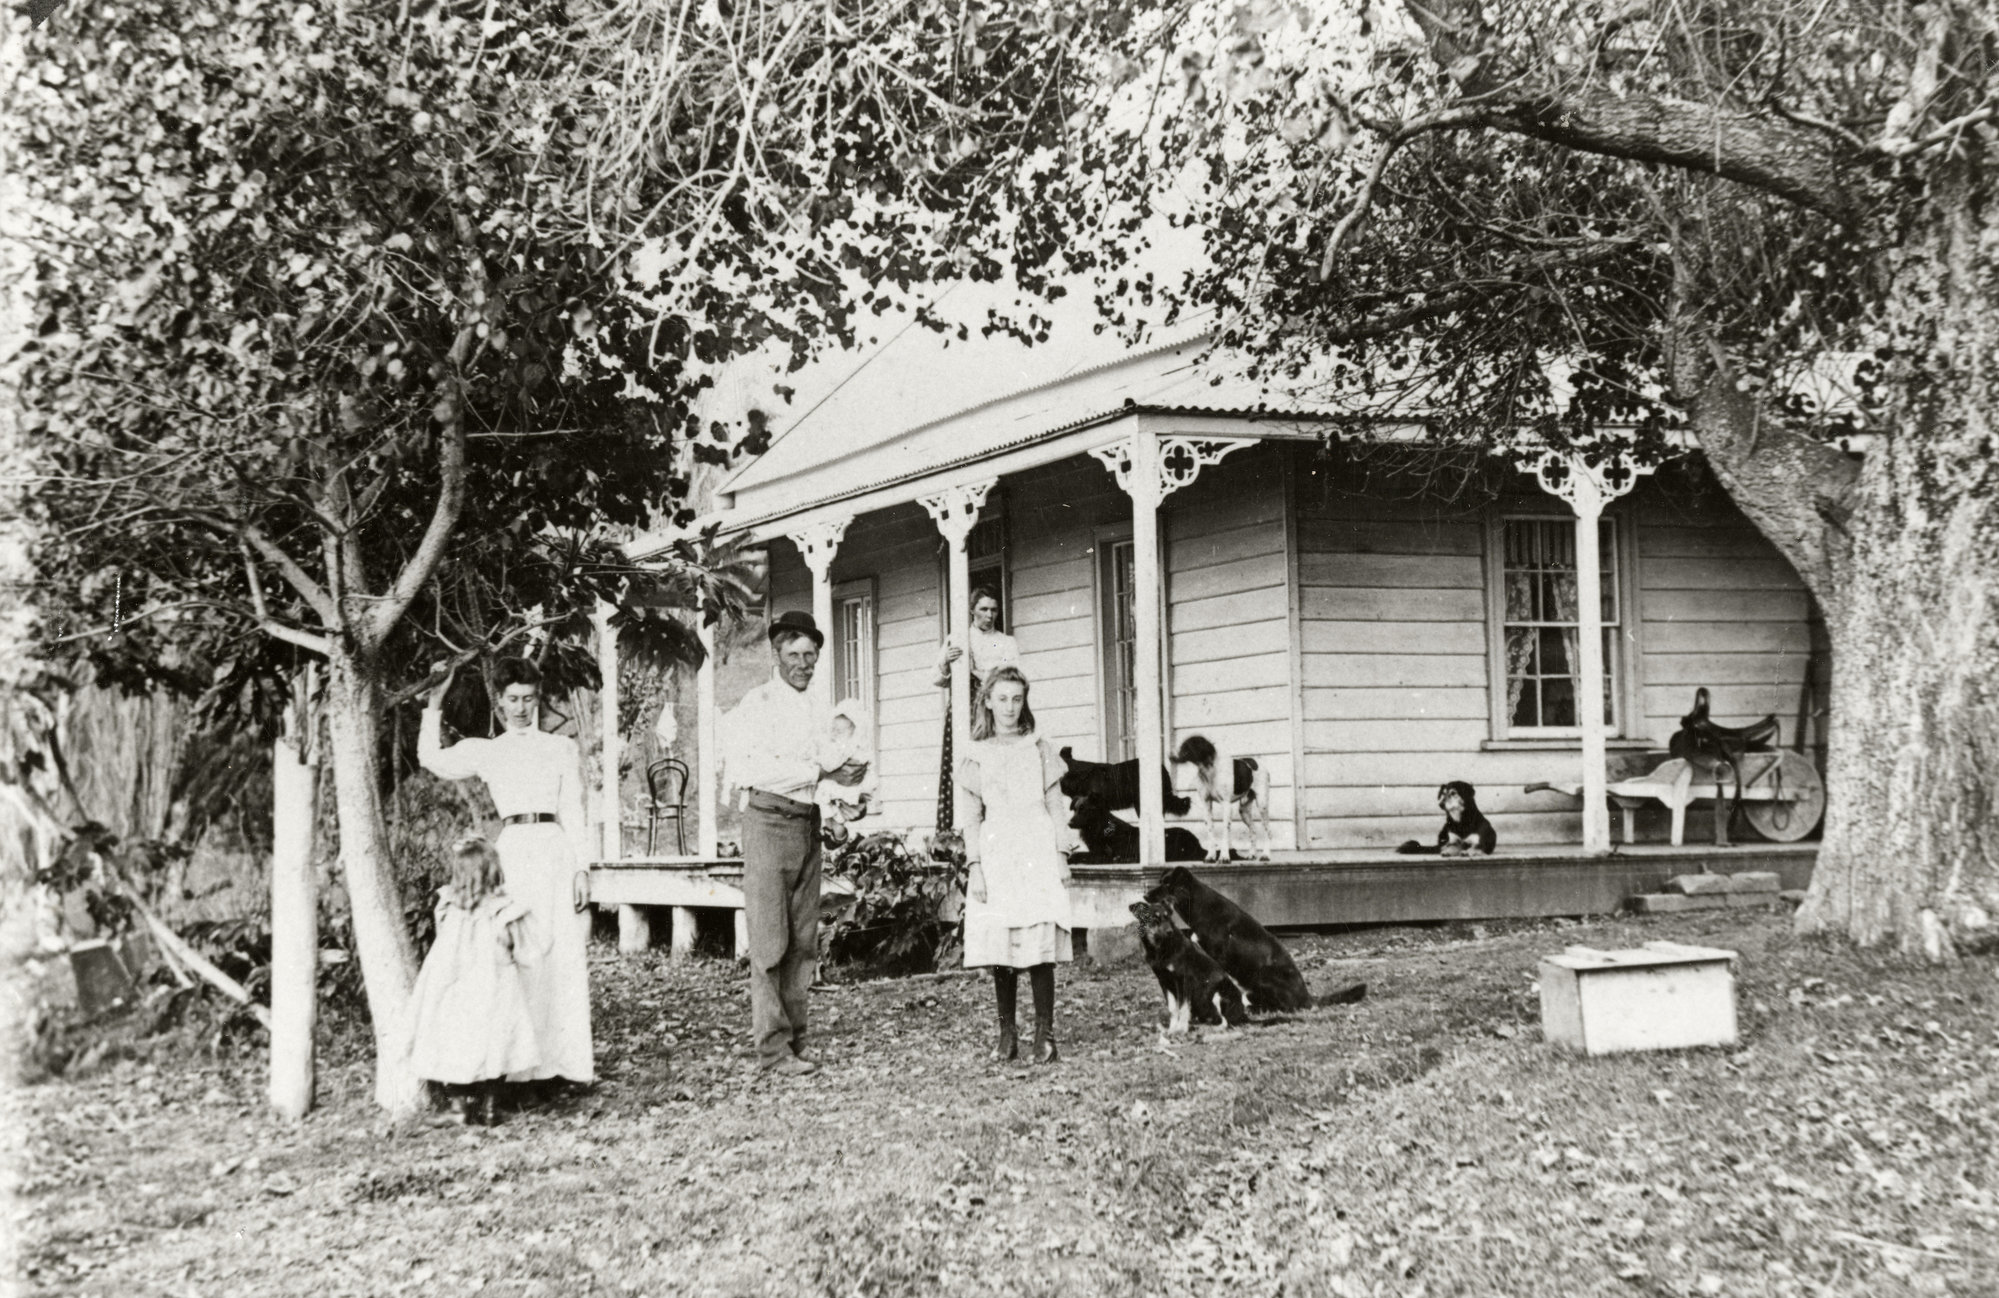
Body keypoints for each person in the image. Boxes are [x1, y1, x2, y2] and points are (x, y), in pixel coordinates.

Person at [419, 657, 594, 1087]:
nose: (521, 708)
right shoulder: (488, 750)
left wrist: (582, 868)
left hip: (555, 850)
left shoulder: (559, 748)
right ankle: (520, 1071)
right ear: (499, 701)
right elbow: (430, 758)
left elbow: (573, 808)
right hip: (513, 854)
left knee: (561, 956)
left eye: (529, 699)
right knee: (518, 957)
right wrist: (434, 702)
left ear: (538, 698)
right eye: (512, 699)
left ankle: (561, 1067)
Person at [721, 611, 868, 1076]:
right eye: (794, 655)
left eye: (811, 656)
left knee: (804, 941)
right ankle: (771, 1050)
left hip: (806, 822)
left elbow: (827, 765)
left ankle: (796, 1040)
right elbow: (752, 771)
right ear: (775, 654)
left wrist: (848, 781)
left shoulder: (816, 709)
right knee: (770, 941)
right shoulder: (757, 704)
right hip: (767, 821)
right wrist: (819, 771)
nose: (803, 664)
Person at [955, 665, 1076, 1065]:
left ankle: (1045, 1033)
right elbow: (971, 817)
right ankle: (1007, 1033)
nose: (1009, 707)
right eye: (1002, 698)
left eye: (1017, 699)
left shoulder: (1038, 746)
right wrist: (975, 865)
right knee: (1002, 942)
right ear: (987, 701)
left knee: (1039, 939)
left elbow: (1057, 805)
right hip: (997, 849)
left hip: (1036, 845)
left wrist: (1061, 854)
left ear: (1025, 702)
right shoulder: (975, 754)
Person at [404, 835, 544, 1125]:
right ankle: (491, 1106)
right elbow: (528, 950)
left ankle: (458, 1106)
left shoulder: (450, 907)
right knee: (496, 1040)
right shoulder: (504, 910)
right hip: (496, 987)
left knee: (454, 1040)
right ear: (494, 870)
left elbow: (442, 942)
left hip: (455, 987)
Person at [932, 586, 1019, 829]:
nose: (989, 615)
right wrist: (946, 661)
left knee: (993, 768)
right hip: (964, 712)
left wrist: (979, 673)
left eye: (993, 610)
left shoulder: (1005, 642)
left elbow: (1012, 676)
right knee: (961, 764)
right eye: (983, 609)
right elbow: (936, 678)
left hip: (994, 713)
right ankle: (956, 829)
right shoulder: (959, 638)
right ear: (972, 610)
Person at [814, 698, 880, 832]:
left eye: (838, 731)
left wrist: (818, 761)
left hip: (848, 788)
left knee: (827, 799)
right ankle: (834, 830)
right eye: (832, 729)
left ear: (853, 732)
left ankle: (835, 830)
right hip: (850, 789)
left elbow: (829, 765)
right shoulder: (855, 746)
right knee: (829, 804)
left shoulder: (845, 748)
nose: (833, 734)